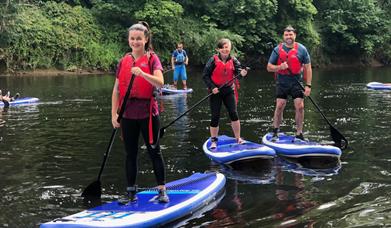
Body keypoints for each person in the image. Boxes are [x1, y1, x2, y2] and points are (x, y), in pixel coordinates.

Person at [111, 21, 169, 204]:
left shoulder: (153, 59)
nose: (135, 42)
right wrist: (114, 114)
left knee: (154, 151)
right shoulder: (123, 61)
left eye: (139, 39)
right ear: (129, 40)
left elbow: (160, 82)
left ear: (145, 40)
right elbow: (116, 91)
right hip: (127, 113)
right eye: (132, 39)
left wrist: (143, 73)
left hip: (148, 112)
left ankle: (161, 190)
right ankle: (130, 192)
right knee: (130, 153)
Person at [266, 25, 312, 140]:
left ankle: (299, 133)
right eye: (286, 35)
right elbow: (269, 67)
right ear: (283, 36)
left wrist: (308, 85)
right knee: (280, 105)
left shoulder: (302, 49)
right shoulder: (277, 50)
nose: (288, 37)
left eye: (291, 34)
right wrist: (280, 67)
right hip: (282, 82)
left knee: (300, 107)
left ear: (295, 35)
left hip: (296, 82)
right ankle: (275, 131)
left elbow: (308, 68)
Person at [202, 38, 248, 149]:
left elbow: (238, 75)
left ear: (230, 48)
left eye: (226, 47)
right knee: (215, 116)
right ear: (218, 49)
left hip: (228, 90)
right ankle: (214, 140)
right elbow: (205, 76)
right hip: (215, 91)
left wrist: (242, 73)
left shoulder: (234, 60)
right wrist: (212, 87)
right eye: (222, 47)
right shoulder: (212, 60)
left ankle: (238, 138)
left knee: (233, 113)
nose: (224, 49)